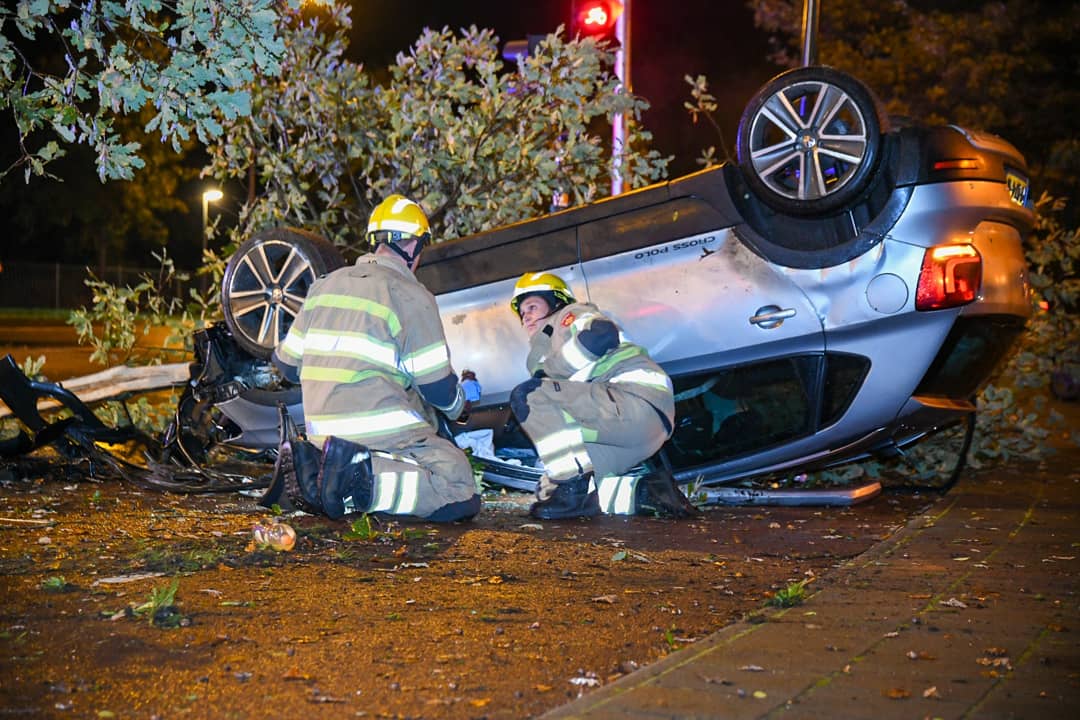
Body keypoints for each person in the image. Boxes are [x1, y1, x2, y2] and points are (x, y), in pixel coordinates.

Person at [265, 195, 480, 522]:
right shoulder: (411, 295)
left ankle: (320, 467)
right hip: (382, 435)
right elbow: (437, 389)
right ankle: (359, 483)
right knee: (458, 482)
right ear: (413, 246)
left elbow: (287, 367)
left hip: (322, 435)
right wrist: (461, 403)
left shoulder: (325, 286)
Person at [508, 272, 699, 520]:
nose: (527, 315)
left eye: (532, 306)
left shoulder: (568, 316)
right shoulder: (544, 349)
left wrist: (544, 380)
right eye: (522, 313)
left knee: (530, 395)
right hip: (634, 429)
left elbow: (601, 334)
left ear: (556, 301)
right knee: (550, 490)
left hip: (633, 399)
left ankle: (572, 493)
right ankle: (648, 492)